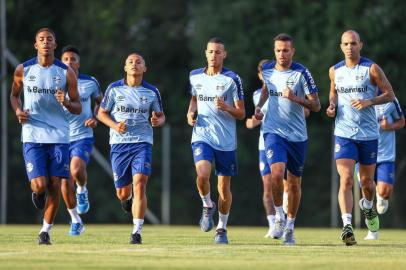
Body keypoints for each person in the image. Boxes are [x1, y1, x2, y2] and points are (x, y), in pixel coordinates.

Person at [10, 28, 81, 245]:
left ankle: (45, 231)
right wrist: (18, 111)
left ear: (55, 45)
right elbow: (14, 95)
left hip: (59, 136)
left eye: (49, 39)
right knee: (39, 185)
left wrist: (67, 102)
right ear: (36, 45)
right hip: (32, 134)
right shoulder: (23, 69)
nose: (46, 42)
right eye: (41, 39)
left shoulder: (66, 72)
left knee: (55, 184)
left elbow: (78, 107)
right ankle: (37, 192)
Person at [326, 30, 395, 245]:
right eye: (346, 44)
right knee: (346, 178)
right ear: (341, 46)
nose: (349, 47)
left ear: (360, 45)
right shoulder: (334, 71)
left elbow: (390, 94)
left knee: (366, 183)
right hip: (344, 134)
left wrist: (369, 102)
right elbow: (333, 93)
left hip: (368, 135)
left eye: (353, 43)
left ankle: (367, 207)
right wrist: (332, 105)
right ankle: (347, 226)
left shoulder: (371, 68)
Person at [254, 33, 321, 245]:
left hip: (298, 136)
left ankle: (290, 226)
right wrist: (258, 107)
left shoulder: (302, 73)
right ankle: (279, 218)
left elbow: (317, 105)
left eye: (285, 50)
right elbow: (266, 90)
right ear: (274, 51)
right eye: (278, 50)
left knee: (293, 184)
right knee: (276, 173)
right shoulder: (267, 71)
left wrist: (295, 98)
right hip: (273, 131)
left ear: (292, 51)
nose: (281, 54)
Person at [98, 52, 165, 244]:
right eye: (130, 62)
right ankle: (126, 200)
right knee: (123, 192)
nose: (134, 64)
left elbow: (161, 116)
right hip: (119, 145)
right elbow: (101, 113)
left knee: (140, 183)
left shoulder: (152, 91)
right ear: (125, 68)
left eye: (138, 62)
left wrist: (156, 120)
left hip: (142, 142)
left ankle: (137, 231)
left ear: (145, 68)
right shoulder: (114, 89)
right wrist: (115, 125)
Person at [187, 37, 245, 244]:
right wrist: (190, 114)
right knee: (202, 174)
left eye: (218, 52)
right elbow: (194, 100)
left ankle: (221, 228)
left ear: (224, 54)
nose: (214, 56)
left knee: (223, 188)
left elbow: (241, 112)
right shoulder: (195, 76)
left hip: (226, 141)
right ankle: (206, 204)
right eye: (211, 52)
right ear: (205, 53)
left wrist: (227, 107)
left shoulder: (232, 79)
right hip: (202, 135)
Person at [60, 45, 103, 235]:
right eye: (66, 59)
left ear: (79, 62)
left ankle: (82, 188)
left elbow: (102, 103)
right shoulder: (54, 83)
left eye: (73, 59)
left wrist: (95, 117)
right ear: (61, 63)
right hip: (58, 138)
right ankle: (75, 220)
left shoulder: (90, 82)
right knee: (63, 183)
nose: (70, 62)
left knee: (76, 170)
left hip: (82, 135)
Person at [356, 97, 404, 240]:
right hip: (364, 153)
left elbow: (401, 121)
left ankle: (380, 194)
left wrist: (389, 126)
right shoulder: (358, 96)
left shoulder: (390, 99)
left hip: (385, 155)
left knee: (384, 192)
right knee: (367, 192)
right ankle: (373, 230)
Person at [246, 59, 276, 238]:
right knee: (267, 186)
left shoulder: (284, 88)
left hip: (286, 140)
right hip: (264, 145)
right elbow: (254, 119)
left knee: (286, 184)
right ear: (259, 75)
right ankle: (272, 224)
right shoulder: (257, 94)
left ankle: (286, 221)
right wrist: (252, 122)